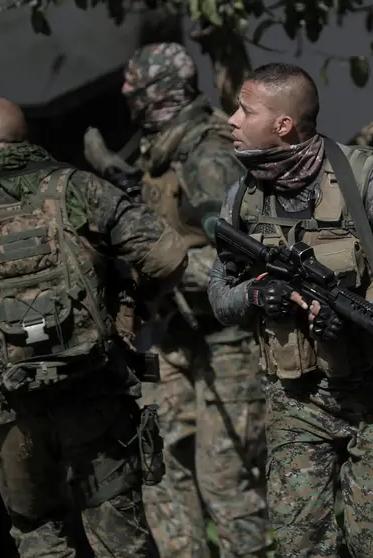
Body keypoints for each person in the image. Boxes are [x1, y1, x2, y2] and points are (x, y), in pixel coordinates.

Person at [0, 97, 189, 558]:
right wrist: (137, 306)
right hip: (95, 398)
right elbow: (168, 256)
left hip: (14, 410)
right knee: (121, 539)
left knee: (39, 534)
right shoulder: (79, 188)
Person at [207, 62, 373, 558]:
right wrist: (258, 295)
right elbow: (220, 296)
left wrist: (361, 312)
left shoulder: (371, 184)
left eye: (245, 110)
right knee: (301, 545)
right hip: (296, 398)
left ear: (282, 124)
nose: (231, 120)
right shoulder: (245, 196)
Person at [84, 43, 271, 558]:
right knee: (160, 478)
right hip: (170, 341)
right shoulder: (157, 150)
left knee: (227, 487)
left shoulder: (209, 154)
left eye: (135, 89)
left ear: (161, 92)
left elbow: (244, 261)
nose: (127, 97)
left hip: (227, 345)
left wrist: (167, 267)